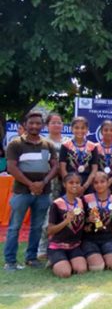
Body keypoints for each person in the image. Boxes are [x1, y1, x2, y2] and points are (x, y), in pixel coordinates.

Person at [4, 112, 59, 271]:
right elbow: (11, 168)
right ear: (25, 125)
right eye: (31, 123)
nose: (34, 126)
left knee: (37, 227)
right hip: (22, 192)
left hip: (43, 193)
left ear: (42, 125)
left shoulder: (47, 145)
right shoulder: (15, 144)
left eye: (38, 123)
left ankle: (31, 258)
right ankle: (10, 261)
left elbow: (55, 166)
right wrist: (31, 184)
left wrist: (43, 182)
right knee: (15, 226)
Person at [47, 173, 88, 278]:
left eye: (77, 183)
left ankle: (67, 261)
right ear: (64, 184)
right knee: (65, 273)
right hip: (57, 246)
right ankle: (54, 260)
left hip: (74, 246)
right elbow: (50, 231)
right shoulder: (56, 204)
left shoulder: (81, 201)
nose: (74, 185)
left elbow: (83, 222)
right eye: (71, 182)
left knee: (82, 270)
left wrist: (90, 220)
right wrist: (65, 222)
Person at [39, 113, 68, 261]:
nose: (57, 125)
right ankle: (42, 248)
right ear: (47, 125)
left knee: (63, 214)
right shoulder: (43, 142)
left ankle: (59, 245)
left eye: (59, 122)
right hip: (48, 183)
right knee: (47, 216)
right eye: (53, 122)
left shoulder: (68, 142)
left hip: (65, 183)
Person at [81, 172, 112, 271]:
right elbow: (79, 222)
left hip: (107, 238)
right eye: (96, 183)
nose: (99, 185)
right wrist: (87, 219)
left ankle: (103, 256)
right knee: (97, 268)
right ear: (93, 185)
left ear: (108, 182)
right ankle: (92, 257)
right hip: (89, 239)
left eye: (102, 182)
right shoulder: (86, 199)